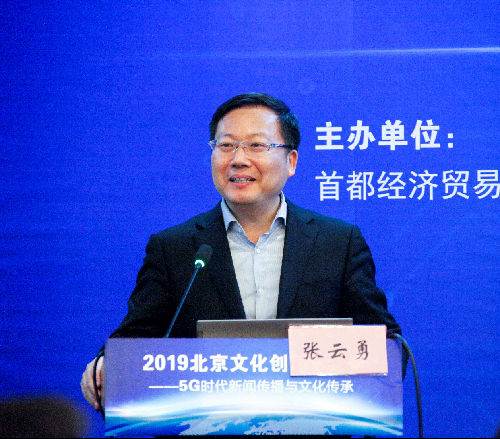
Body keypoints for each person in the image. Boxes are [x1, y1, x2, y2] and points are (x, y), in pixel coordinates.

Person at [81, 92, 403, 411]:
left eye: (256, 145)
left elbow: (387, 348)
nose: (238, 159)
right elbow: (134, 341)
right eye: (226, 145)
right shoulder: (173, 248)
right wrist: (105, 365)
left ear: (291, 161)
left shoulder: (338, 243)